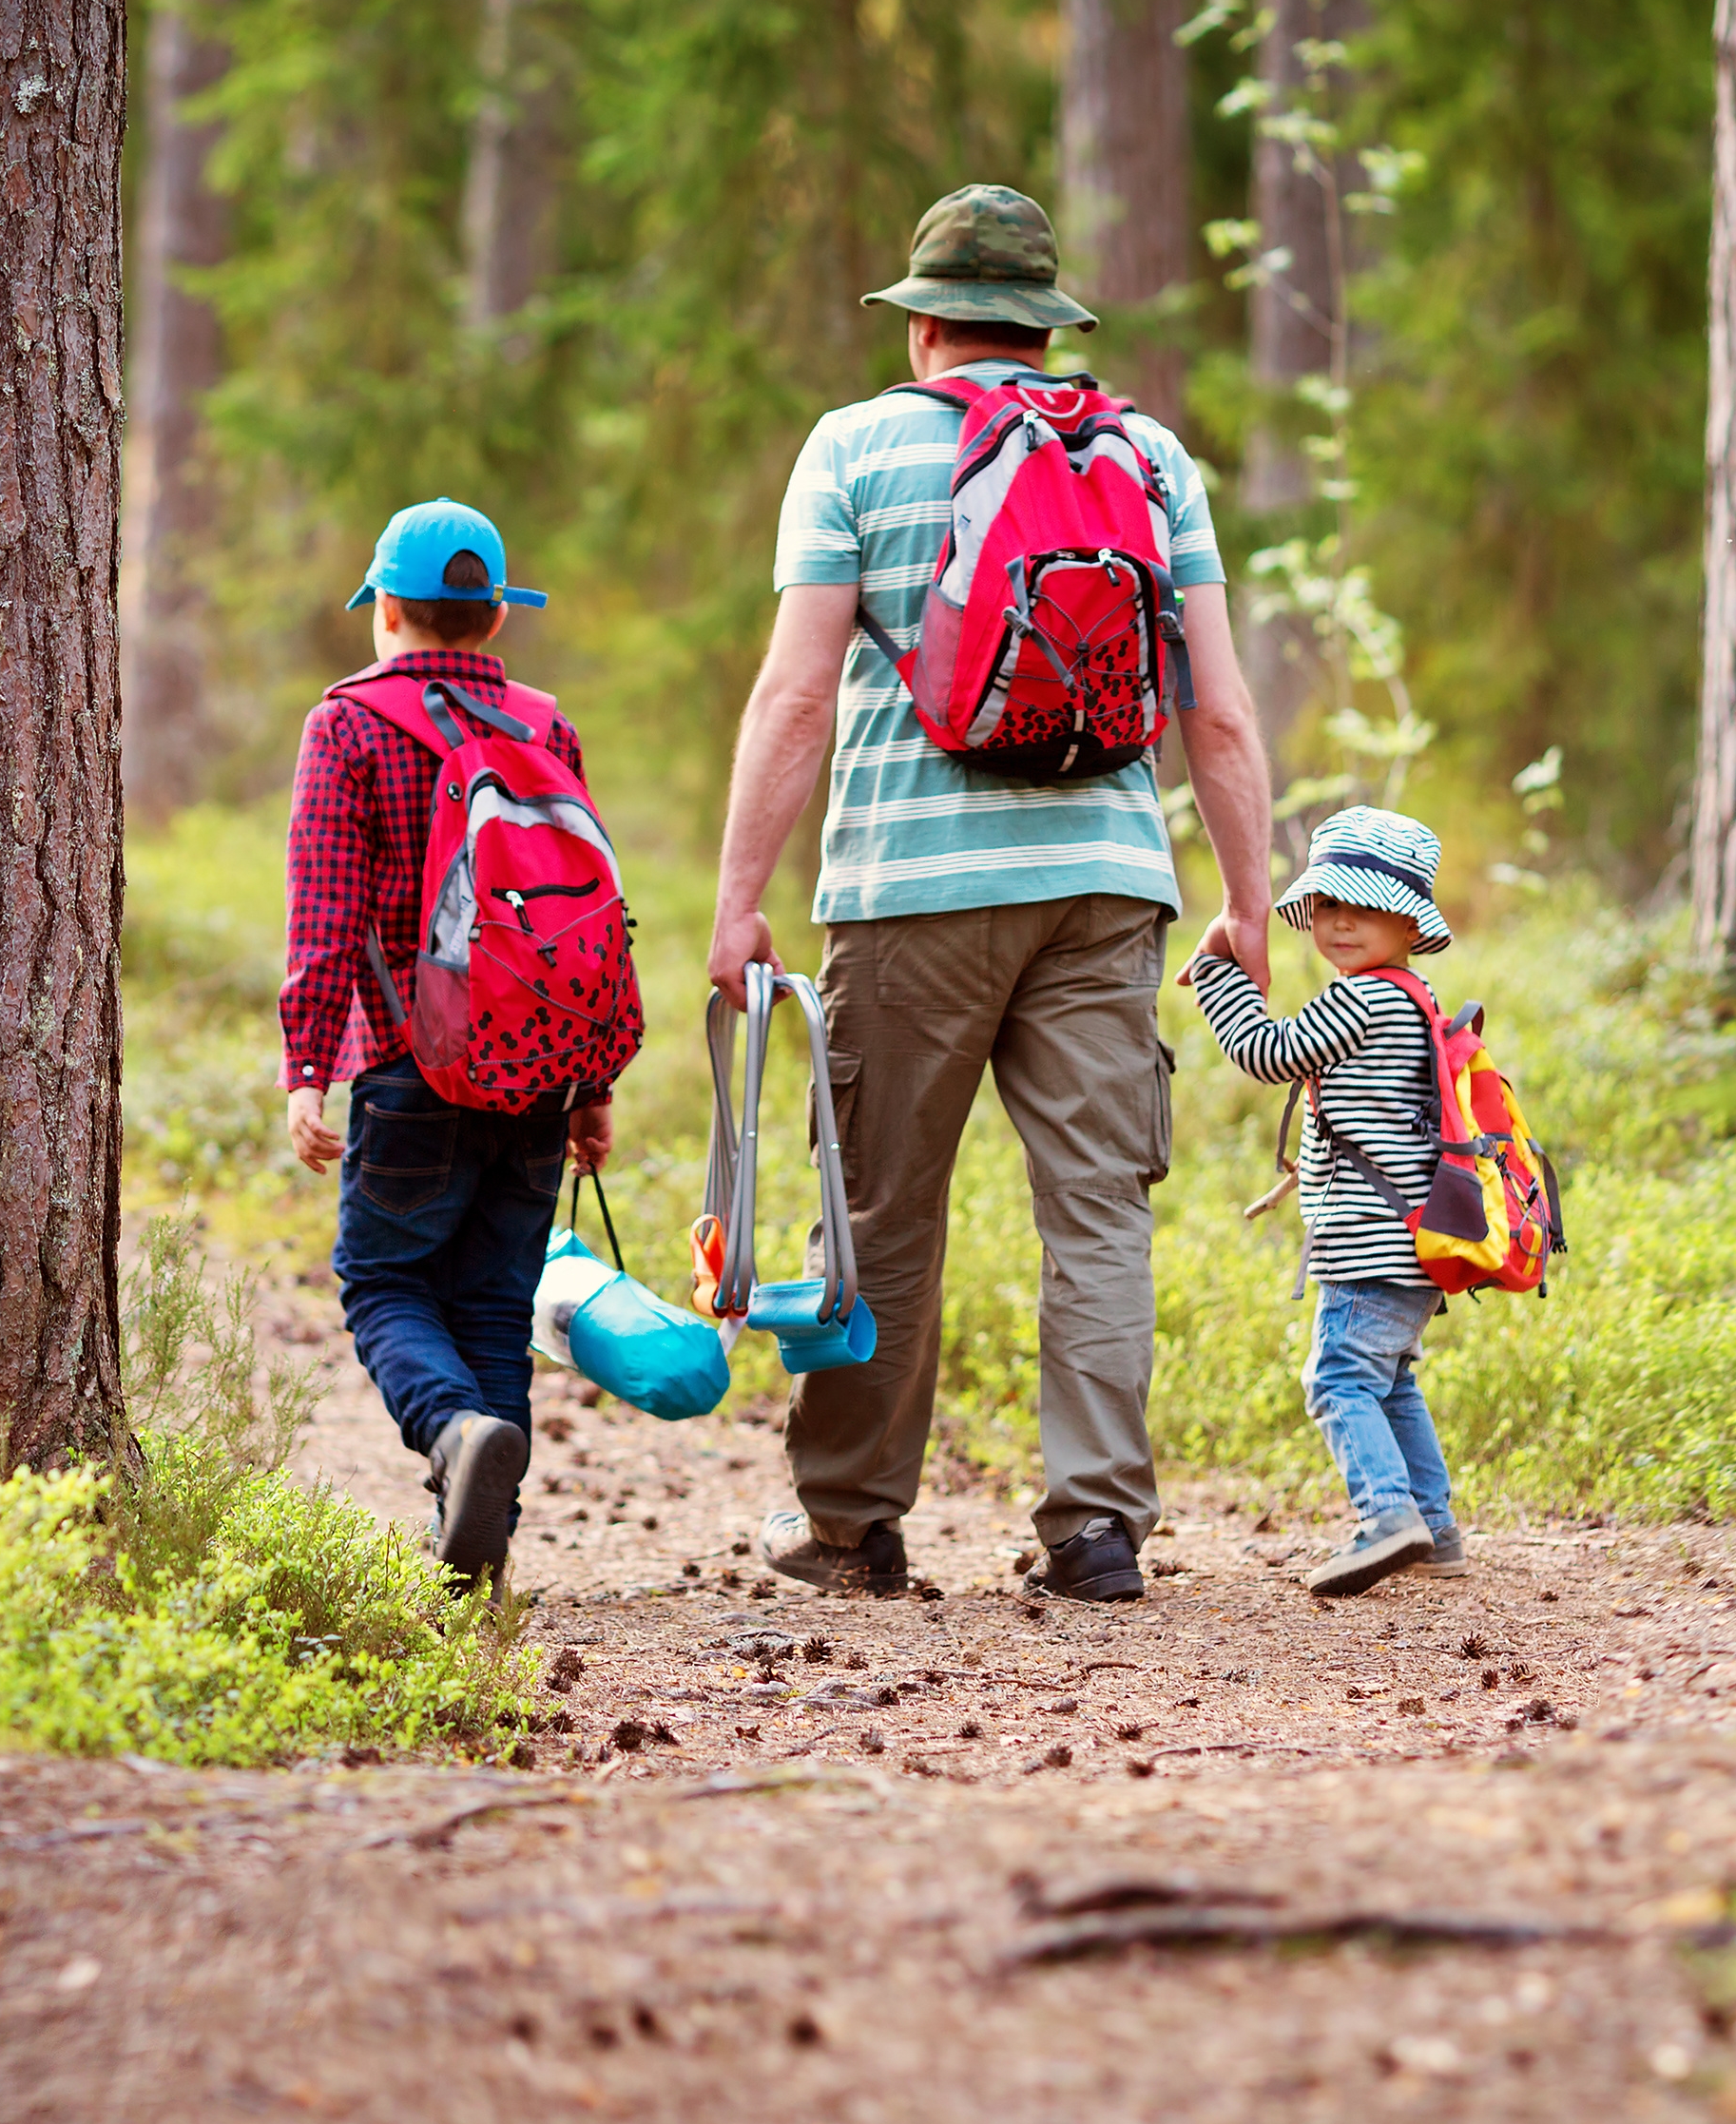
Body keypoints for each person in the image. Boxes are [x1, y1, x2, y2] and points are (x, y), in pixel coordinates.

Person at [697, 183, 1290, 1603]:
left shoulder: (851, 449)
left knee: (885, 1208)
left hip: (910, 890)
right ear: (1042, 326)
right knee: (1097, 1210)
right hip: (1106, 884)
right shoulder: (1149, 456)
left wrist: (738, 899)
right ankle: (1095, 1528)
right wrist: (1248, 903)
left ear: (926, 330)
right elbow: (1217, 712)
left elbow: (795, 698)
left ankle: (849, 1523)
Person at [279, 500, 621, 1589]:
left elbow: (325, 912)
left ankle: (447, 1435)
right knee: (488, 1301)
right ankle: (479, 1554)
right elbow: (589, 915)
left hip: (405, 1062)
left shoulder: (348, 723)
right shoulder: (544, 723)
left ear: (384, 609)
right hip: (537, 1066)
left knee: (381, 1283)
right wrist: (591, 1081)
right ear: (492, 619)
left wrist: (305, 1071)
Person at [1192, 806, 1471, 1594]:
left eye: (1365, 907)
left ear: (1408, 922)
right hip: (1414, 1241)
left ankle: (1388, 1516)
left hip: (1367, 1244)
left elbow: (1265, 1050)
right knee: (1389, 1380)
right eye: (1329, 906)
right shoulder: (1414, 996)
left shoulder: (1362, 1001)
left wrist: (1218, 970)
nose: (1342, 923)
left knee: (1338, 1377)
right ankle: (1436, 1525)